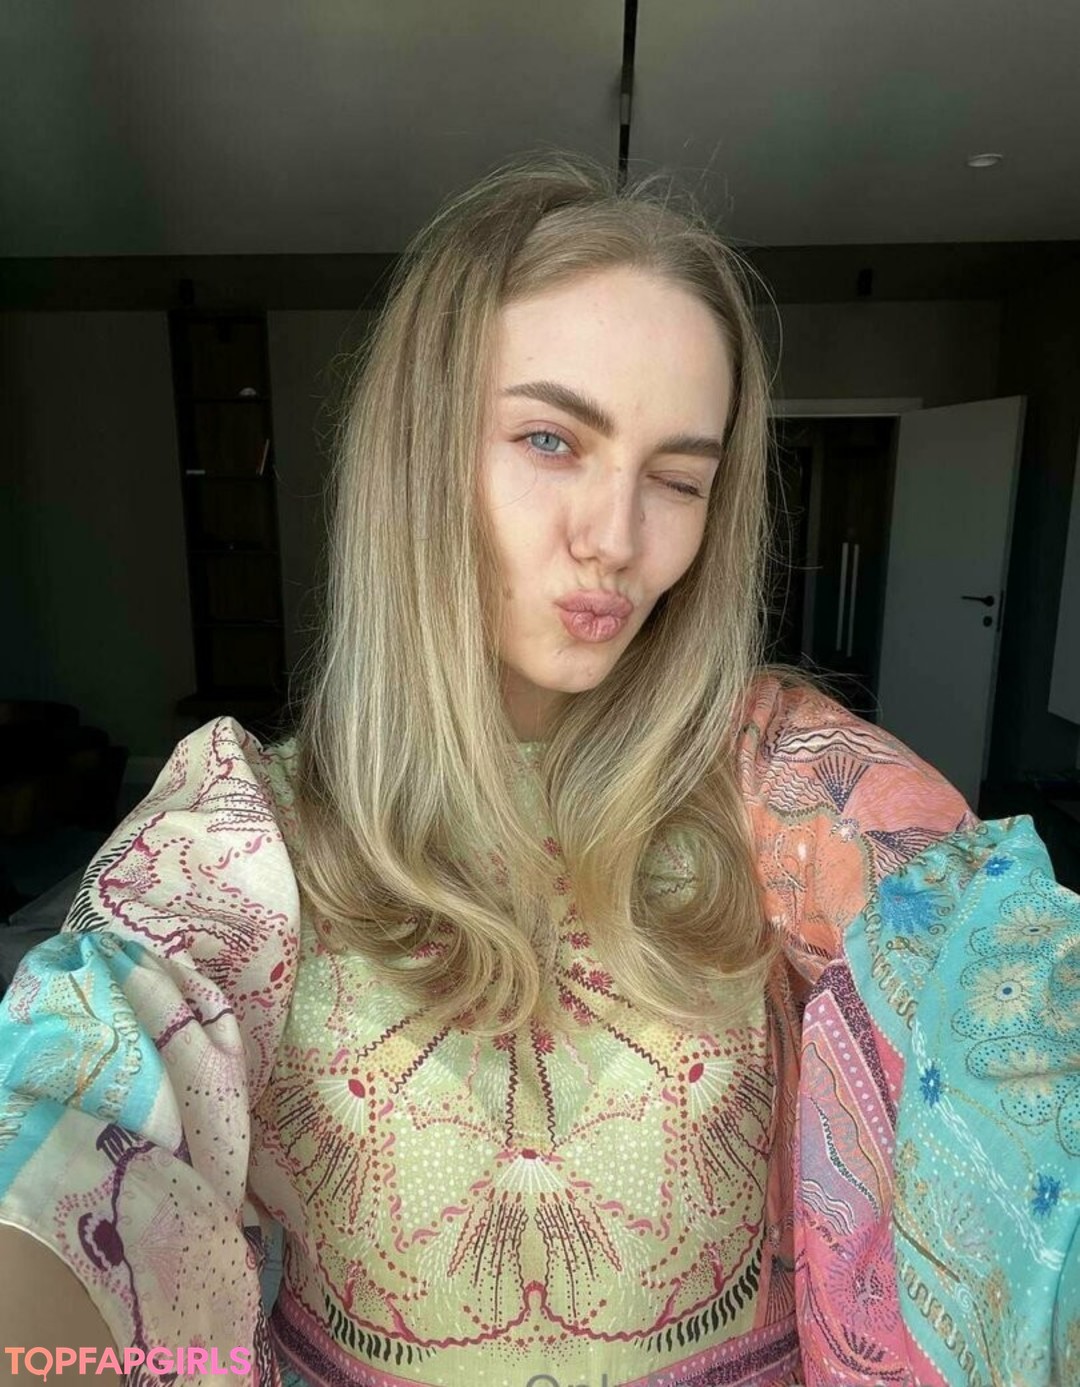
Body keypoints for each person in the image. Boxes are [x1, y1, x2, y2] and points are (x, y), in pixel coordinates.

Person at [0, 151, 1076, 1387]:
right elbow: (73, 1109)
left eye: (677, 479)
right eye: (552, 439)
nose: (616, 539)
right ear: (420, 454)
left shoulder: (784, 778)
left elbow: (1000, 985)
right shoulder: (248, 830)